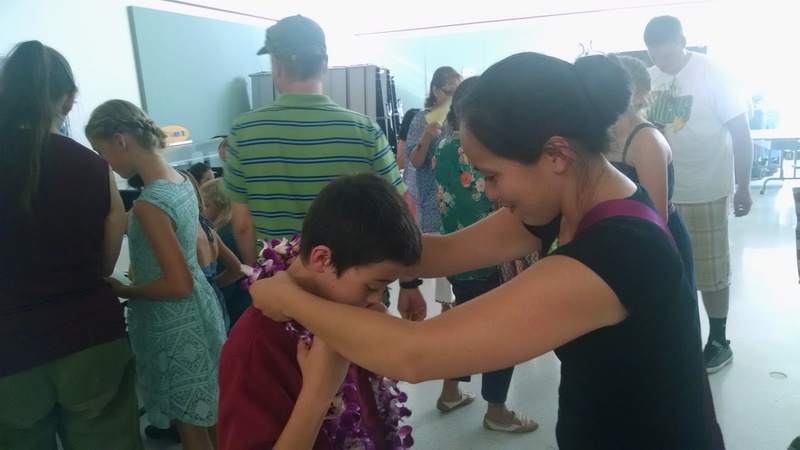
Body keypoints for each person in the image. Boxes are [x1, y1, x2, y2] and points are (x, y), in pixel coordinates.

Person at [250, 52, 725, 449]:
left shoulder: (620, 252)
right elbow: (440, 252)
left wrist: (289, 299)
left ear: (556, 154)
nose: (489, 192)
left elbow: (414, 355)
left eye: (492, 175)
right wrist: (328, 252)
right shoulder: (567, 204)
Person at [223, 14, 426, 322]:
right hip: (356, 292)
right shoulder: (364, 130)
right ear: (324, 63)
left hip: (284, 291)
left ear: (275, 64)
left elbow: (242, 224)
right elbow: (402, 213)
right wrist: (409, 282)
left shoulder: (244, 132)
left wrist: (262, 279)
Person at [0, 40, 142, 450]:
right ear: (68, 101)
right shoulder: (94, 167)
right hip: (92, 342)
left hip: (11, 354)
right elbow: (105, 261)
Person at [217, 173, 422, 449]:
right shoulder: (254, 345)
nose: (377, 302)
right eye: (373, 286)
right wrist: (319, 392)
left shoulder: (345, 311)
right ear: (322, 258)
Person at [85, 99, 227, 450]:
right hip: (201, 311)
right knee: (209, 413)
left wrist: (124, 289)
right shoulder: (180, 181)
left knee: (190, 426)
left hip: (174, 323)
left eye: (102, 154)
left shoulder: (150, 203)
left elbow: (178, 283)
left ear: (120, 140)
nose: (105, 164)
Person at [644, 15, 754, 373]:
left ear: (682, 41)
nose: (662, 63)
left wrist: (744, 186)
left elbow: (741, 132)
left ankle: (719, 340)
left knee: (710, 271)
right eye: (655, 57)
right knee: (671, 271)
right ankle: (682, 338)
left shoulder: (713, 74)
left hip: (705, 188)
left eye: (667, 56)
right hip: (662, 192)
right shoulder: (652, 77)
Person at [432, 76, 537, 433]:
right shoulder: (487, 150)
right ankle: (497, 409)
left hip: (458, 258)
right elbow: (498, 202)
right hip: (491, 257)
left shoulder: (445, 147)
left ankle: (450, 391)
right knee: (500, 333)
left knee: (464, 323)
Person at [605, 53, 698, 296]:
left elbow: (656, 216)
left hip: (652, 240)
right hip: (620, 236)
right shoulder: (603, 133)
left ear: (637, 95)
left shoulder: (646, 140)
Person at [404, 66, 462, 234]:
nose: (454, 98)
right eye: (450, 92)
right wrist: (426, 138)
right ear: (435, 90)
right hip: (433, 199)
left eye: (458, 92)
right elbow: (414, 162)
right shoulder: (422, 119)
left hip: (463, 192)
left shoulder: (462, 116)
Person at [201, 177, 252, 327]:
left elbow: (227, 283)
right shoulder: (231, 231)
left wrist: (209, 288)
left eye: (206, 205)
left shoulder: (225, 236)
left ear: (221, 205)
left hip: (235, 308)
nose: (201, 211)